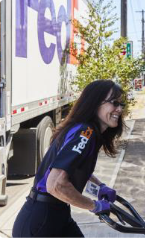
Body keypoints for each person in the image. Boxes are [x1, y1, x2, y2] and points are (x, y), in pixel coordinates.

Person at [13, 80, 126, 237]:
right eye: (114, 103)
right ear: (95, 103)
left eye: (121, 104)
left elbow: (73, 169)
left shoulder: (85, 131)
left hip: (57, 215)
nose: (119, 109)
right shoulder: (85, 133)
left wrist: (100, 186)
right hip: (41, 223)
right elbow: (56, 185)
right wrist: (94, 205)